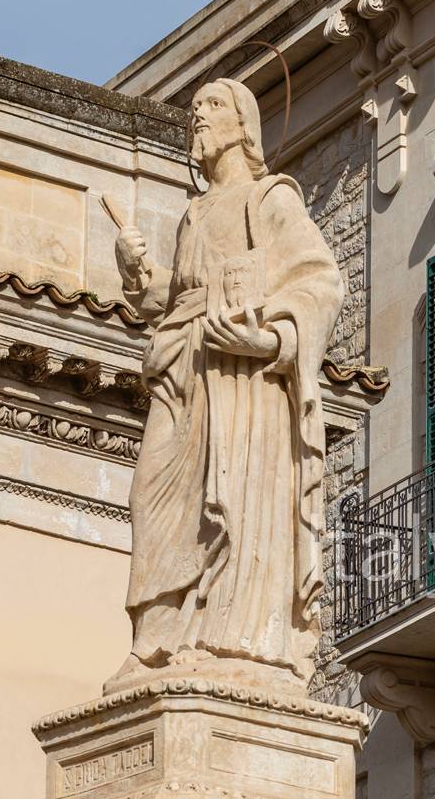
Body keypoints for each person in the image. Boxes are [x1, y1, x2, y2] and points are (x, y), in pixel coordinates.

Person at [108, 78, 345, 692]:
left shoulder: (269, 200)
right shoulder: (194, 213)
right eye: (195, 109)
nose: (198, 117)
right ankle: (155, 639)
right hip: (182, 370)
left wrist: (270, 341)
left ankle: (224, 635)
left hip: (243, 380)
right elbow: (179, 294)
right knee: (151, 498)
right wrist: (140, 275)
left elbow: (320, 282)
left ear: (244, 124)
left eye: (211, 107)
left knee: (230, 502)